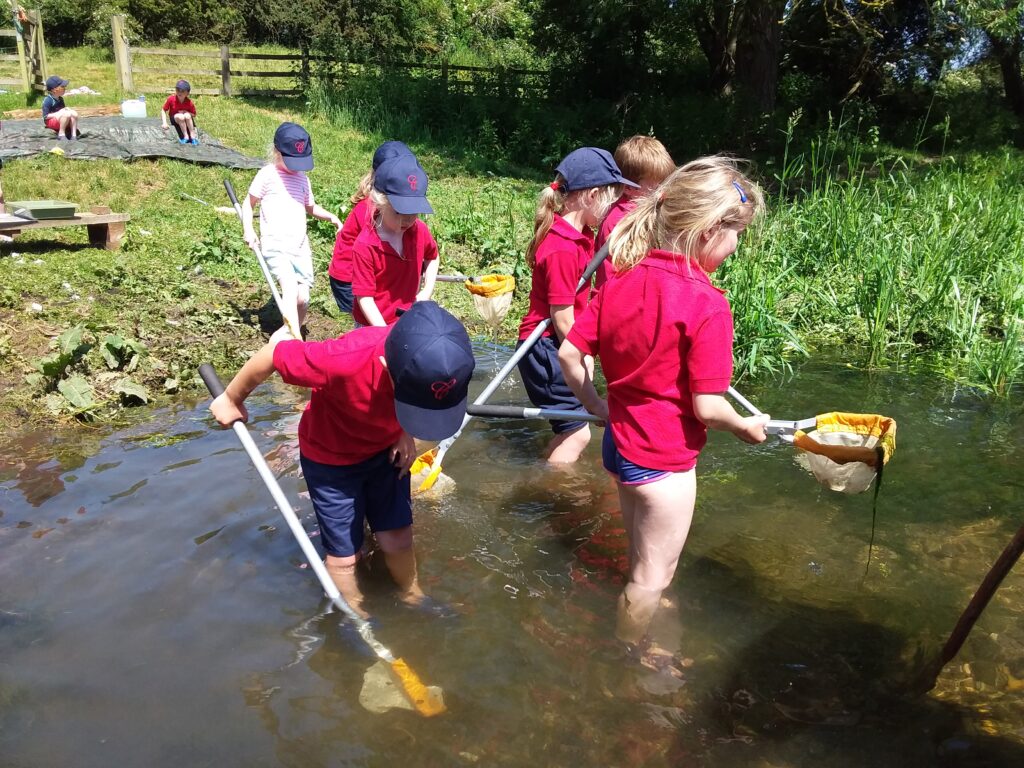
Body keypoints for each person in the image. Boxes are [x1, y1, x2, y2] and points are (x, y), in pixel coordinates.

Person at [558, 156, 770, 663]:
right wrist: (745, 426)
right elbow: (708, 406)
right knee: (650, 579)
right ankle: (627, 659)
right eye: (735, 233)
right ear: (708, 230)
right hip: (664, 463)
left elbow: (569, 353)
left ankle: (647, 606)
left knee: (642, 558)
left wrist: (598, 405)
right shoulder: (709, 305)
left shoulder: (620, 282)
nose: (736, 246)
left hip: (621, 449)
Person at [210, 301, 475, 617]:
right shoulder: (341, 359)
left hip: (385, 452)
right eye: (410, 404)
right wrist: (231, 398)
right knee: (346, 557)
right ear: (387, 367)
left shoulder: (441, 362)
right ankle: (354, 612)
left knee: (398, 538)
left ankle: (412, 594)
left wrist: (404, 431)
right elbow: (273, 354)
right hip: (331, 461)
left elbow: (412, 403)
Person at [516, 147, 637, 464]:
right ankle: (556, 495)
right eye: (611, 200)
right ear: (593, 195)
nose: (613, 209)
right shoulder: (562, 249)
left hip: (554, 347)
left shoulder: (577, 237)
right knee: (578, 431)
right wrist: (583, 359)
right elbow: (562, 319)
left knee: (569, 427)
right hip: (545, 349)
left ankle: (546, 468)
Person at [242, 122, 343, 335]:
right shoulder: (268, 174)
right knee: (289, 287)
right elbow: (248, 204)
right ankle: (294, 339)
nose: (296, 166)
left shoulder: (303, 180)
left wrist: (331, 216)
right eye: (292, 161)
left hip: (299, 247)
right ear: (276, 151)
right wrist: (248, 229)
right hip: (276, 244)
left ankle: (289, 331)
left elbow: (310, 207)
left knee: (302, 297)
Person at [351, 153, 439, 327]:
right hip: (372, 326)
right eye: (399, 212)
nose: (407, 219)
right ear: (380, 202)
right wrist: (383, 333)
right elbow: (365, 298)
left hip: (407, 320)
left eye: (413, 212)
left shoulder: (418, 230)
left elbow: (433, 256)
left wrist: (426, 291)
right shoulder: (366, 246)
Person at [328, 141, 414, 318]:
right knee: (365, 321)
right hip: (348, 275)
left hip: (364, 273)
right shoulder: (371, 212)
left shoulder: (389, 212)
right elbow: (375, 252)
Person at [593, 135, 675, 292]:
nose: (664, 193)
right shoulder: (622, 222)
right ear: (629, 188)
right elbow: (622, 274)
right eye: (657, 188)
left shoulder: (633, 210)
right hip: (615, 300)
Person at [161, 79, 198, 145]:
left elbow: (194, 114)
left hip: (186, 117)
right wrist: (164, 123)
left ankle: (193, 137)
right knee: (180, 116)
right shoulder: (171, 99)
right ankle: (186, 137)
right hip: (175, 118)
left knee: (187, 115)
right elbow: (163, 110)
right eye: (178, 90)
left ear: (187, 93)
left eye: (182, 91)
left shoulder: (189, 102)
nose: (179, 92)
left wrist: (186, 112)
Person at [41, 76, 78, 140]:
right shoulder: (48, 100)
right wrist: (59, 113)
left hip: (61, 118)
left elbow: (63, 111)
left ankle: (73, 134)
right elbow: (45, 116)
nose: (64, 88)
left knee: (74, 113)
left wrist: (66, 109)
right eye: (62, 87)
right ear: (54, 90)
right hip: (51, 121)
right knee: (66, 114)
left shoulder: (60, 99)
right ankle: (61, 134)